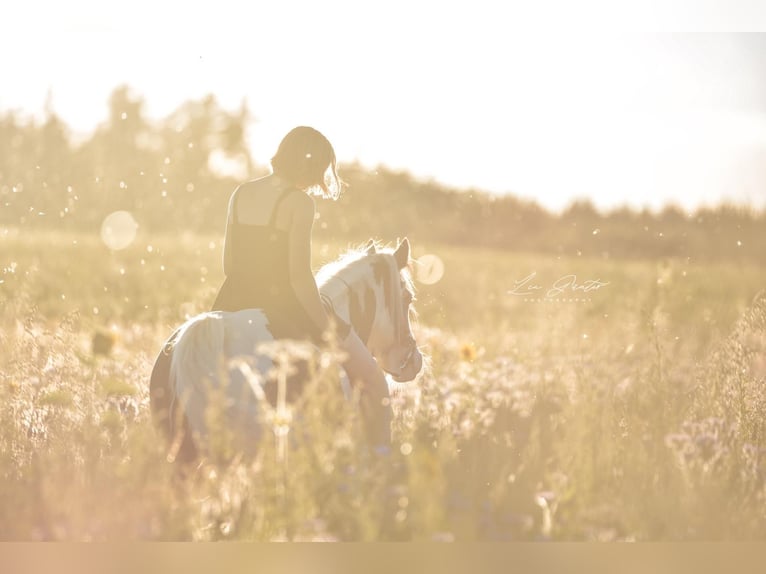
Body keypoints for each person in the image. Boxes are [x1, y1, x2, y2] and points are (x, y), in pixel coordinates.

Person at [210, 126, 391, 447]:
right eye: (321, 168)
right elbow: (299, 277)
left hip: (232, 302)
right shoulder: (299, 203)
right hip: (282, 307)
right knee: (373, 378)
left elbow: (229, 266)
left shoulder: (240, 193)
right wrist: (326, 328)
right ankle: (381, 461)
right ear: (310, 166)